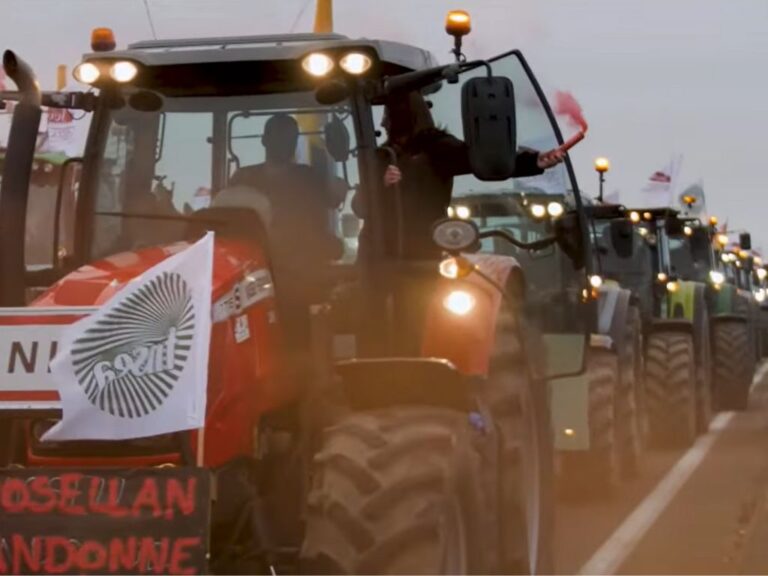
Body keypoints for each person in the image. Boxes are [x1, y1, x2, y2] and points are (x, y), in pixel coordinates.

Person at [354, 91, 565, 260]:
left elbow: (482, 160)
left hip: (424, 256)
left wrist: (532, 161)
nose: (382, 123)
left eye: (387, 115)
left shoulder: (437, 148)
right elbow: (359, 206)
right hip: (377, 258)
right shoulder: (380, 157)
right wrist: (380, 184)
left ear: (402, 116)